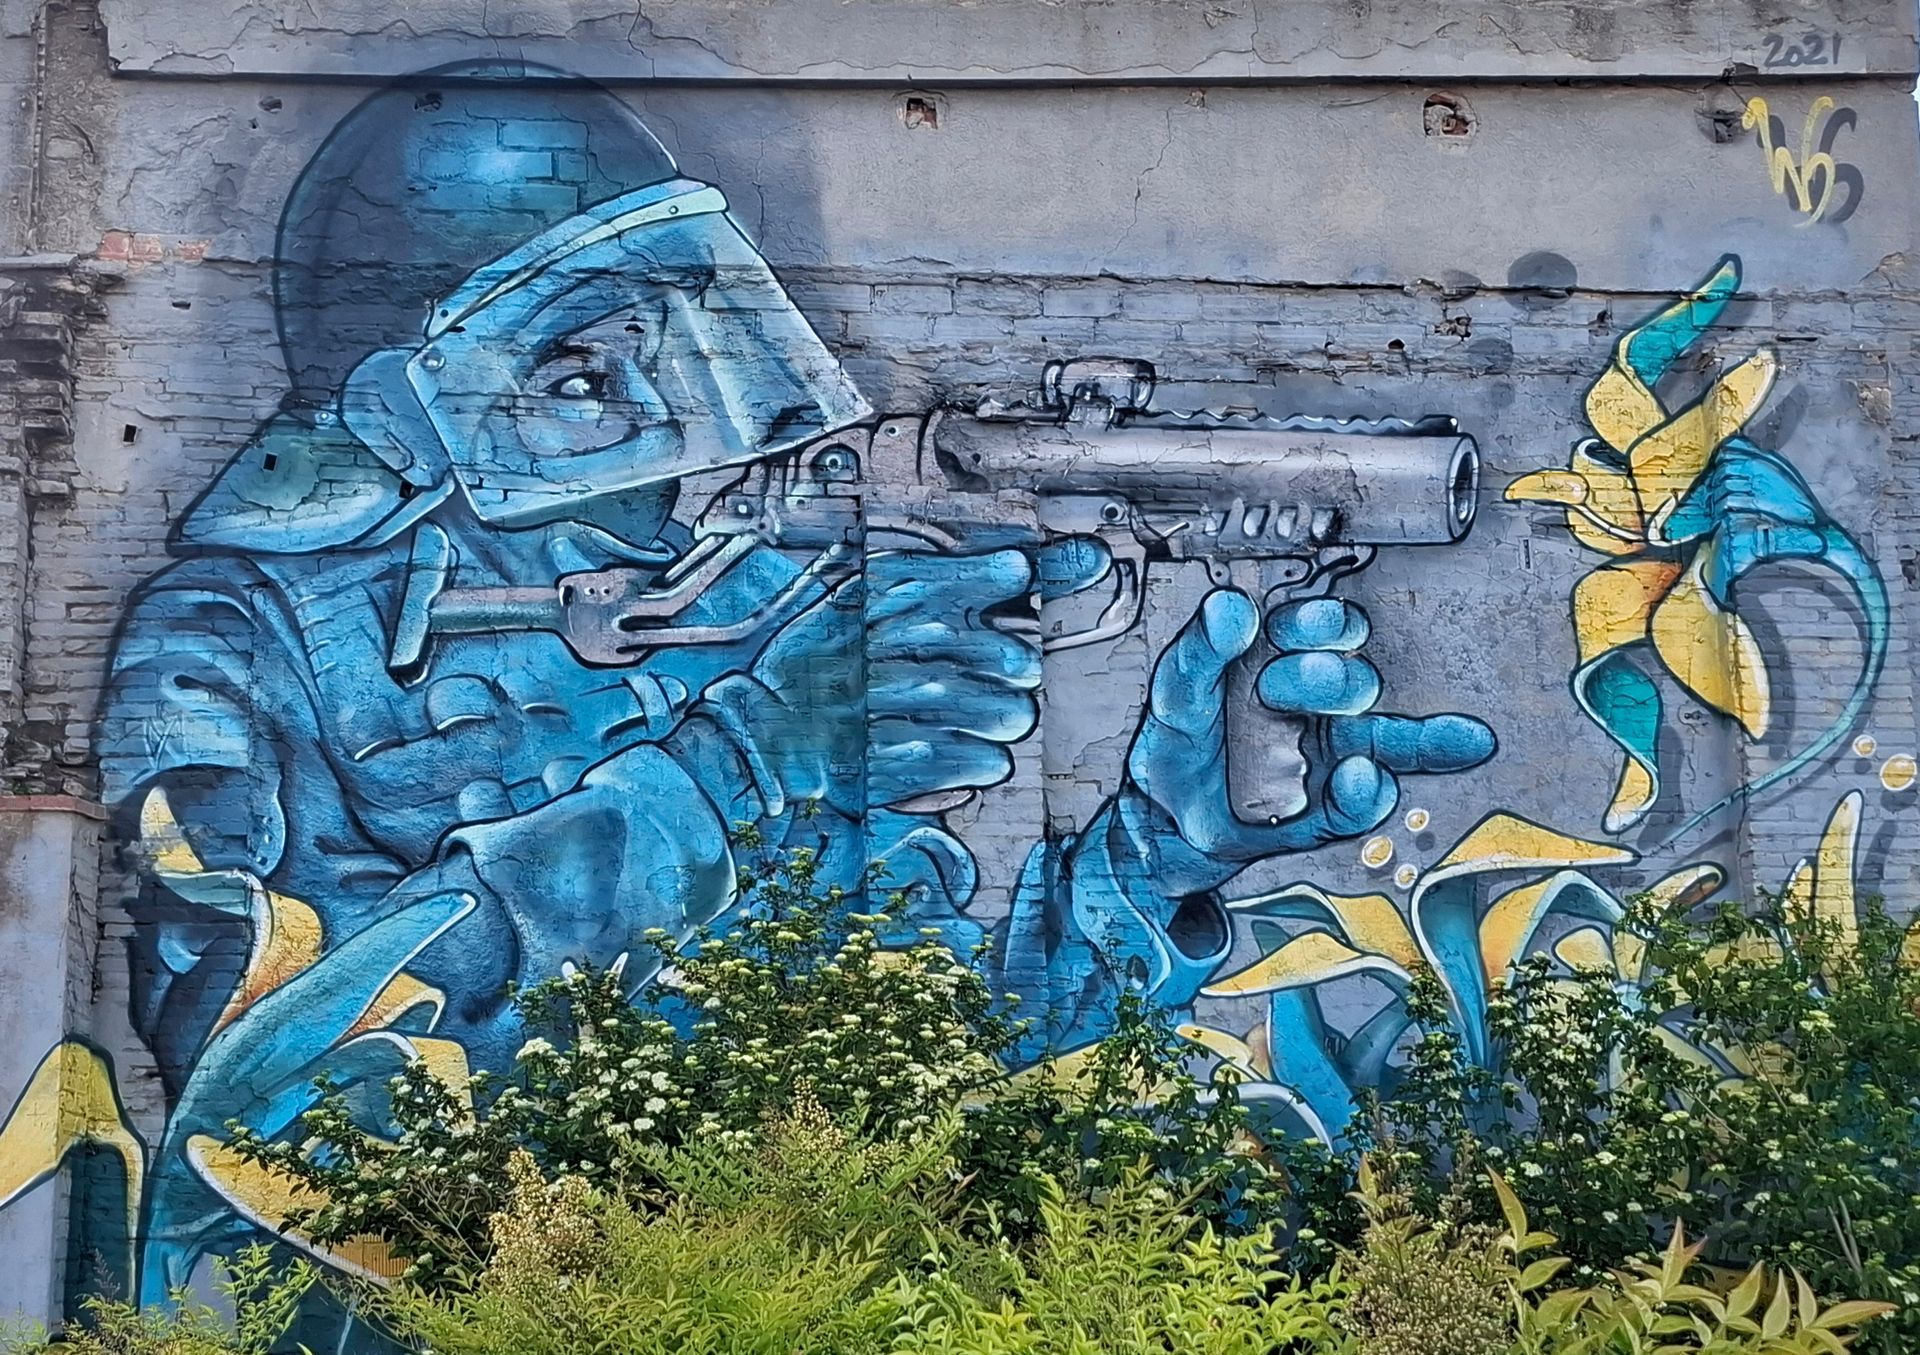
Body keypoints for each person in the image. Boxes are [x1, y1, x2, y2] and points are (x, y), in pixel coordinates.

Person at [96, 61, 1493, 1291]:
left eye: (671, 350)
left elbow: (928, 1041)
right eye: (579, 381)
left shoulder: (743, 608)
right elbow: (261, 1112)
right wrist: (734, 772)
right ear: (409, 415)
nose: (668, 422)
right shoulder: (229, 647)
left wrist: (1158, 852)